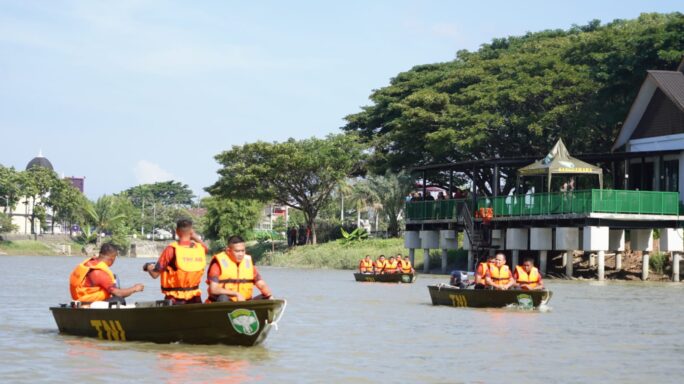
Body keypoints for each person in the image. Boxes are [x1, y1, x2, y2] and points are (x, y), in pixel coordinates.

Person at [143, 219, 207, 304]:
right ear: (191, 231)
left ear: (176, 231)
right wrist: (194, 236)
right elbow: (206, 248)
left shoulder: (172, 249)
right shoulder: (199, 249)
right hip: (195, 298)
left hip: (175, 299)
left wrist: (148, 267)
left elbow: (155, 274)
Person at [69, 243, 144, 306]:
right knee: (119, 300)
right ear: (112, 258)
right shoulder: (100, 273)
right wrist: (135, 288)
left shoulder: (89, 262)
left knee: (114, 282)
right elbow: (118, 293)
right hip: (88, 304)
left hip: (79, 300)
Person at [206, 235, 272, 302]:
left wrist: (269, 295)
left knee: (267, 296)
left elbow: (260, 283)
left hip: (243, 303)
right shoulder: (217, 263)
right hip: (225, 302)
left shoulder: (247, 262)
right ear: (228, 250)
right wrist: (236, 294)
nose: (241, 254)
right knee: (223, 298)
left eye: (242, 251)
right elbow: (213, 289)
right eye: (237, 251)